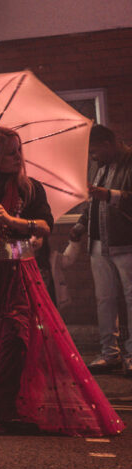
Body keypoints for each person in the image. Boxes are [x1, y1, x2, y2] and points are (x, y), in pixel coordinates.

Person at [0, 127, 123, 436]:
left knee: (16, 337)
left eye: (19, 150)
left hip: (18, 272)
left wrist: (14, 221)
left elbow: (45, 225)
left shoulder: (30, 188)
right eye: (10, 151)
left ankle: (6, 408)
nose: (18, 157)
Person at [68, 123, 132, 374]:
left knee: (130, 298)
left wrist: (108, 195)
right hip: (98, 243)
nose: (93, 158)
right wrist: (81, 225)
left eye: (95, 152)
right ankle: (110, 353)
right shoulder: (100, 167)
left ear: (108, 144)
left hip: (126, 243)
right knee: (104, 299)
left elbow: (110, 196)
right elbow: (93, 203)